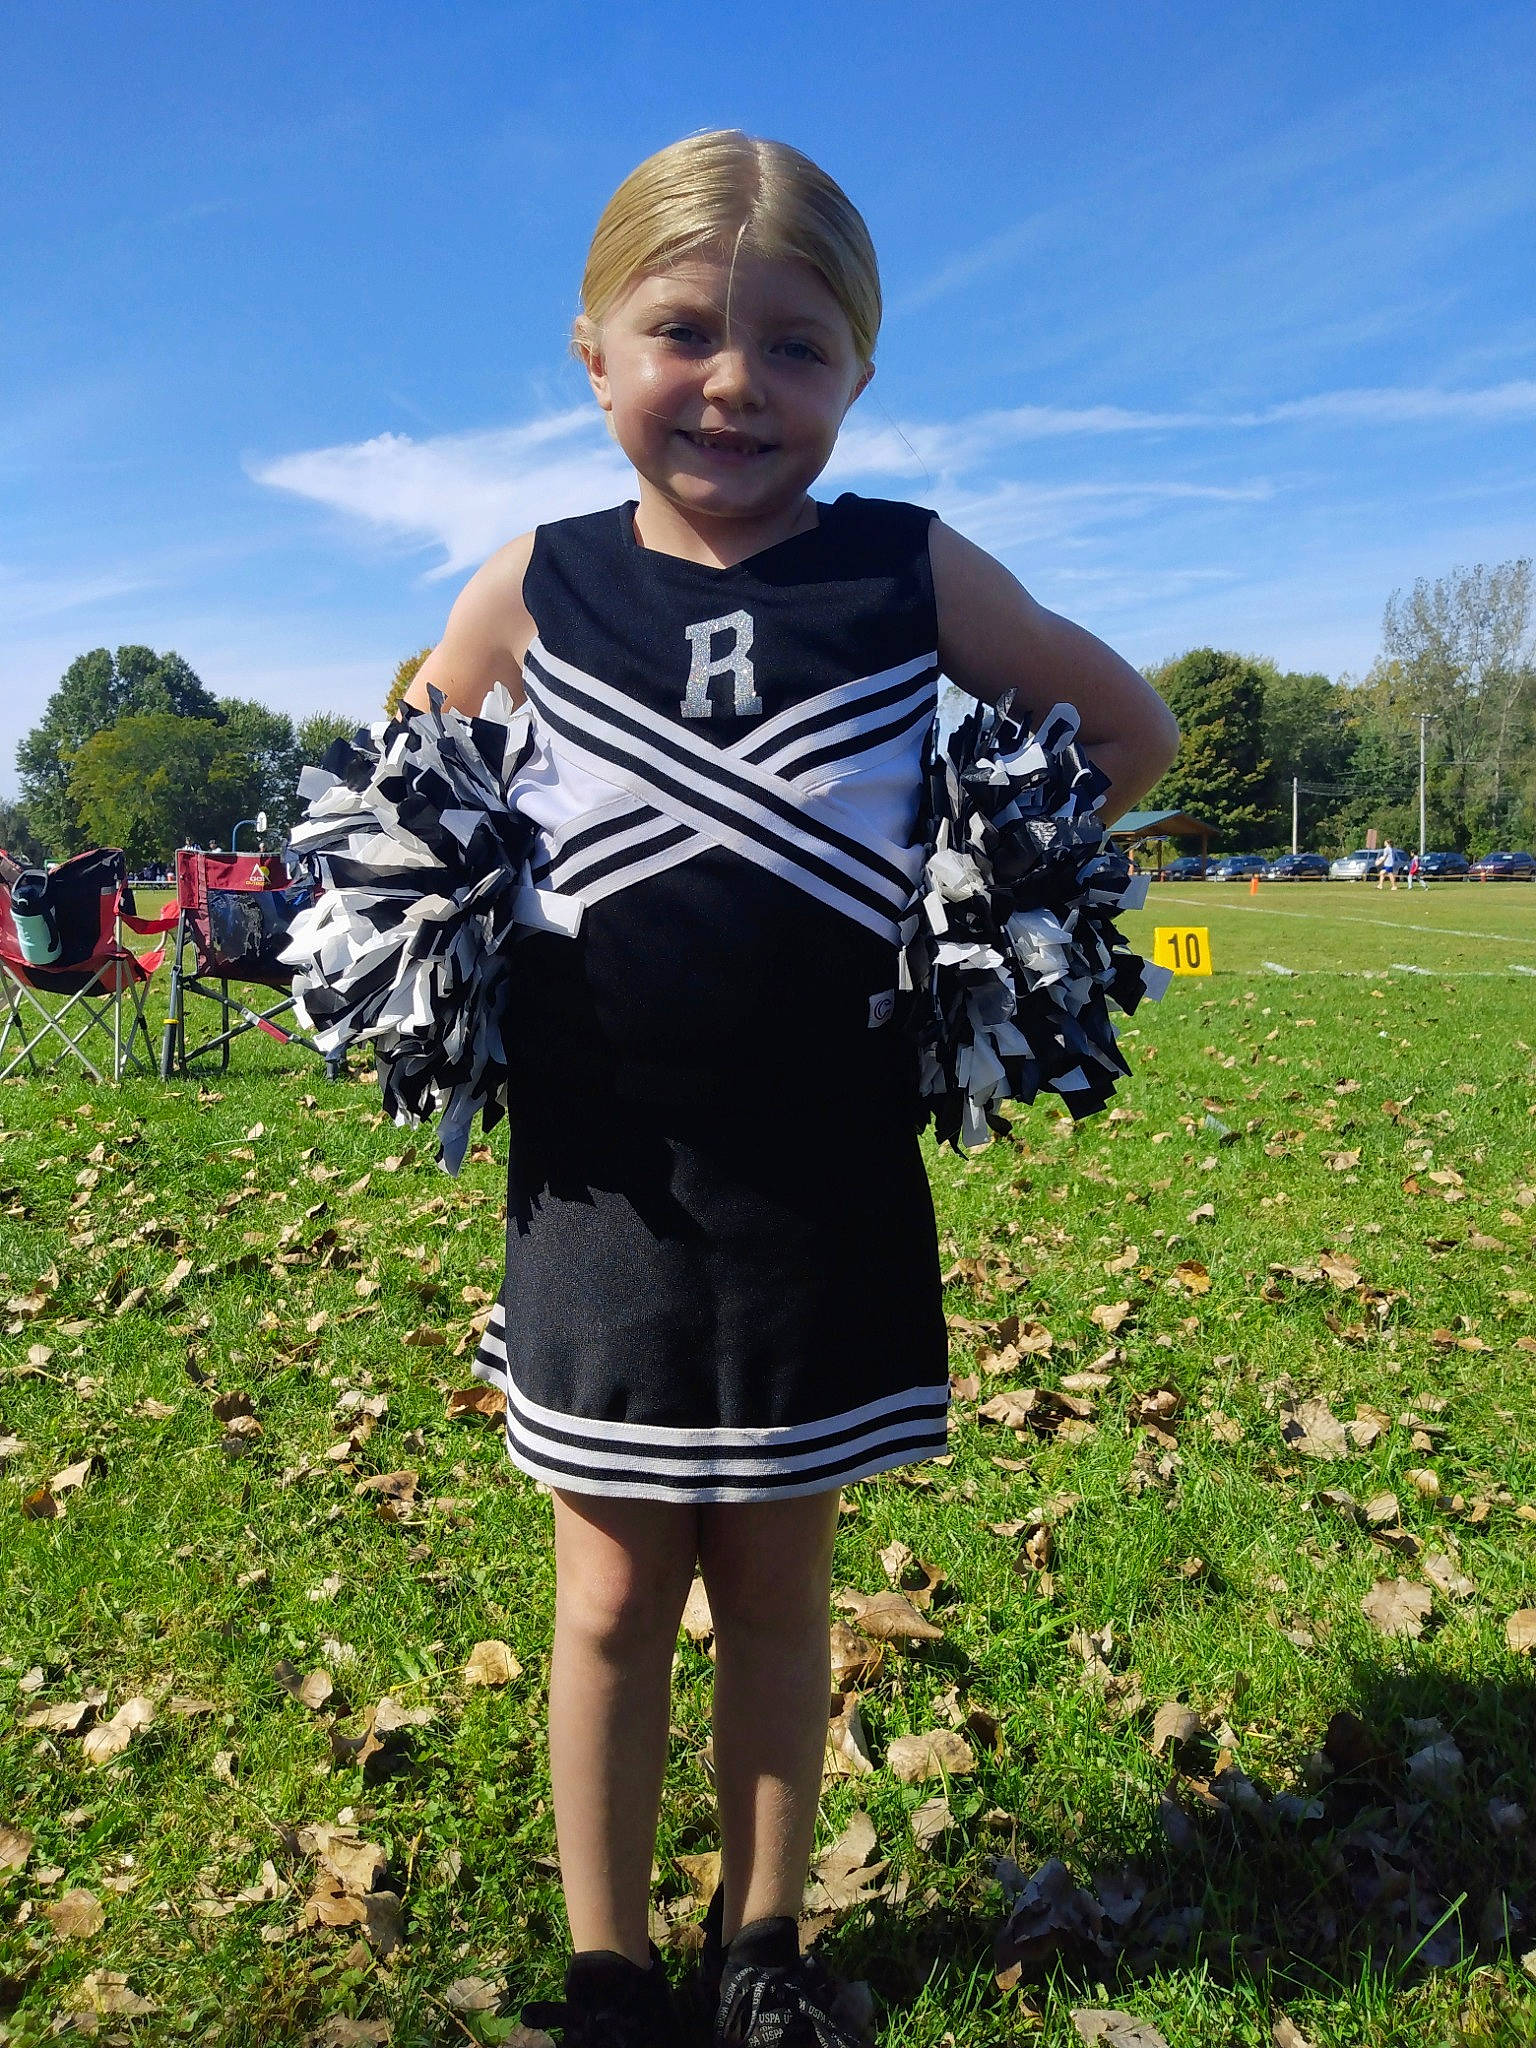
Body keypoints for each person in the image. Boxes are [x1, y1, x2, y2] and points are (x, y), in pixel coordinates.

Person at [404, 131, 1179, 2047]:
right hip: (604, 1182)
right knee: (606, 1600)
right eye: (683, 331)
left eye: (797, 348)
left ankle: (763, 1949)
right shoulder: (534, 581)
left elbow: (1130, 730)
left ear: (861, 372)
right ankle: (608, 1970)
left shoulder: (905, 565)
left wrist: (988, 870)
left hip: (819, 1175)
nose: (736, 384)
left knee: (773, 1590)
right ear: (593, 352)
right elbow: (413, 779)